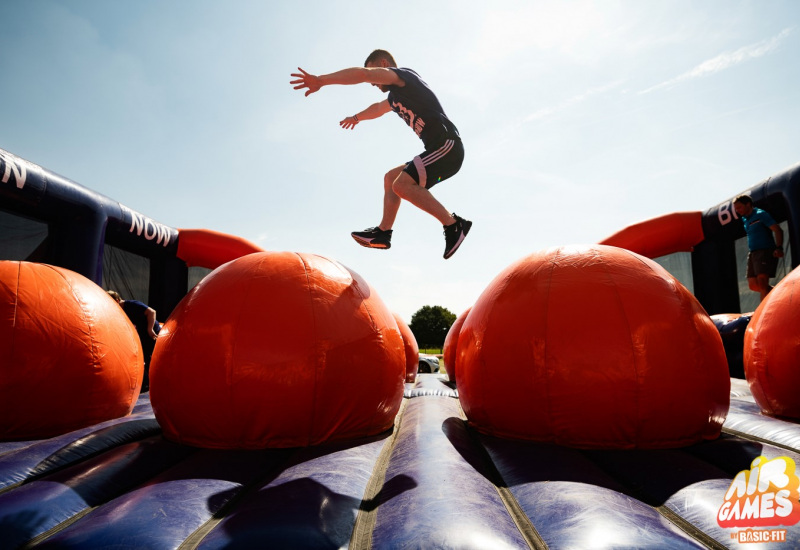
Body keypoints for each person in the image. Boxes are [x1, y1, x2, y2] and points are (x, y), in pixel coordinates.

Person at [290, 49, 472, 259]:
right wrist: (356, 118)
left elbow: (364, 74)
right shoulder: (396, 97)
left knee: (401, 185)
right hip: (437, 149)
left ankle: (453, 224)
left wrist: (321, 80)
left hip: (447, 145)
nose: (373, 84)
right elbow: (377, 108)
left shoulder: (404, 76)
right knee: (391, 179)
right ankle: (383, 233)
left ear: (383, 64)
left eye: (374, 74)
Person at [733, 195, 784, 302]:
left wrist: (779, 247)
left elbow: (778, 230)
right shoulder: (744, 219)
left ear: (748, 204)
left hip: (765, 251)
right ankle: (782, 293)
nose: (737, 211)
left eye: (739, 207)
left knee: (762, 283)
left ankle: (763, 315)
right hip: (752, 253)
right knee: (753, 285)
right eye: (736, 209)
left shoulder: (761, 214)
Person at [108, 290, 161, 391]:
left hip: (151, 333)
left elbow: (152, 312)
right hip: (142, 335)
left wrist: (150, 329)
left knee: (153, 356)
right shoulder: (120, 312)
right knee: (144, 358)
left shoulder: (131, 305)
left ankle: (155, 383)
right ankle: (147, 383)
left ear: (118, 300)